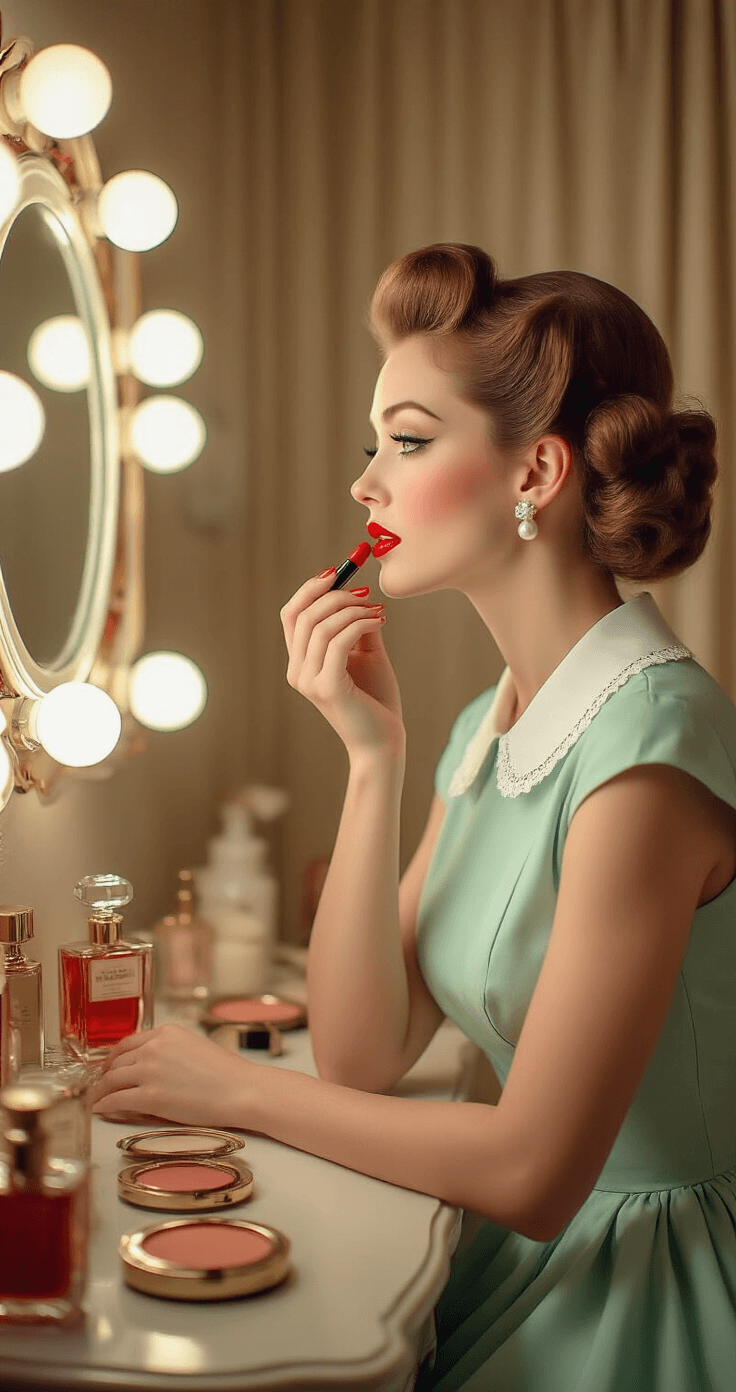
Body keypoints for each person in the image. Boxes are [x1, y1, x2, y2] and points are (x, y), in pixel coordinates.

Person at [92, 243, 736, 1391]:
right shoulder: (501, 719)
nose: (366, 485)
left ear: (534, 474)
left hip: (645, 1295)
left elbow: (538, 1170)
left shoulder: (648, 755)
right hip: (527, 1260)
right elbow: (361, 1053)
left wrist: (232, 1088)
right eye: (373, 444)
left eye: (408, 439)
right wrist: (370, 758)